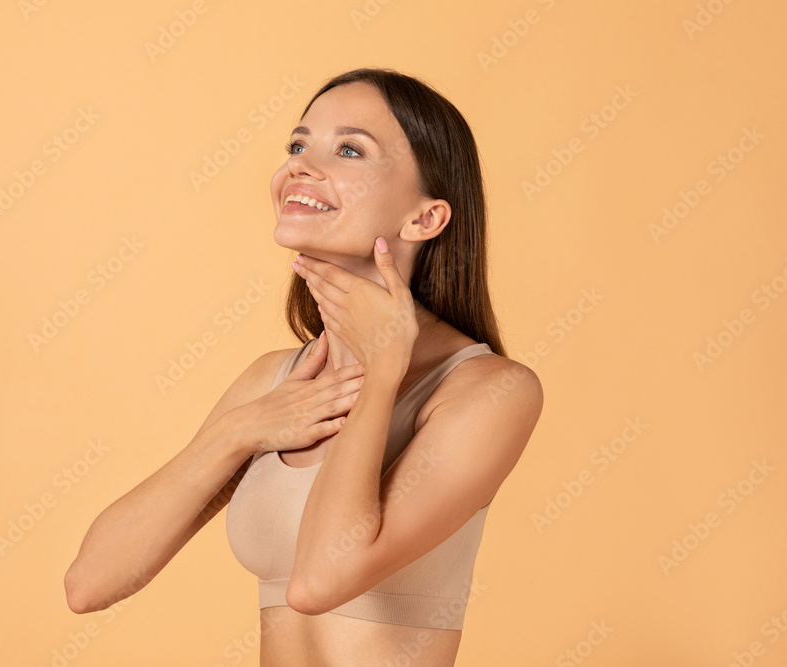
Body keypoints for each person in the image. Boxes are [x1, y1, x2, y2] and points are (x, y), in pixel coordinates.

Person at [63, 67, 543, 666]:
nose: (300, 166)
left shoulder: (490, 390)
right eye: (297, 145)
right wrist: (238, 431)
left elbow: (319, 582)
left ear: (425, 218)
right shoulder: (276, 383)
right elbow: (90, 584)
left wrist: (385, 368)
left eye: (349, 149)